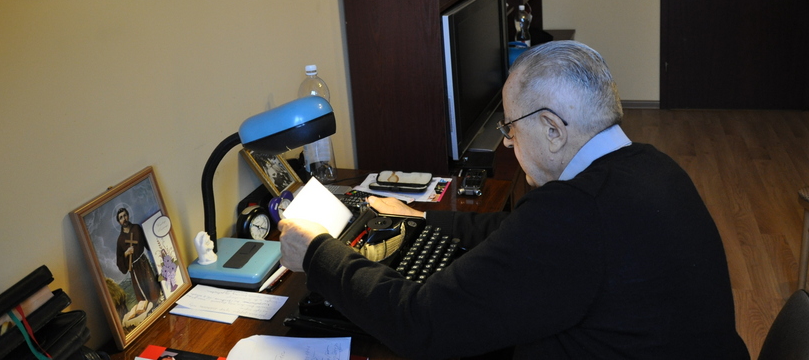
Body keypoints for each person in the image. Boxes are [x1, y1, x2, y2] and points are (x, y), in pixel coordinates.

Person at [279, 41, 749, 359]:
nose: (507, 142)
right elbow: (515, 231)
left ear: (552, 128)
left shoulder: (574, 215)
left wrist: (318, 254)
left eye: (510, 127)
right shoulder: (650, 166)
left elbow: (421, 324)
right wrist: (419, 217)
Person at [114, 207, 162, 316]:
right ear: (119, 221)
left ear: (128, 216)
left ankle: (158, 305)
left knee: (150, 283)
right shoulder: (120, 240)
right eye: (121, 217)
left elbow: (147, 241)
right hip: (133, 268)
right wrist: (126, 253)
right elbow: (119, 260)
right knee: (140, 289)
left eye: (125, 215)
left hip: (143, 261)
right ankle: (148, 311)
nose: (124, 219)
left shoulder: (136, 228)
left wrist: (157, 248)